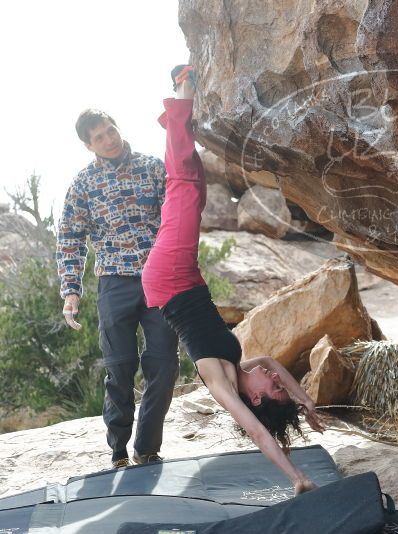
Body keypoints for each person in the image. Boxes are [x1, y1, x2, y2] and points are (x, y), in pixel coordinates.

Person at [142, 66, 324, 495]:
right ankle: (174, 119)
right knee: (194, 187)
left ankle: (180, 92)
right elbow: (276, 366)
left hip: (168, 279)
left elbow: (260, 435)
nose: (276, 379)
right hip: (182, 278)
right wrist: (303, 400)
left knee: (184, 184)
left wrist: (297, 478)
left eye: (274, 390)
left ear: (255, 400)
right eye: (279, 386)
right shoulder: (243, 366)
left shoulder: (221, 382)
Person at [57, 109, 179, 469]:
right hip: (114, 283)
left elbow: (177, 217)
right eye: (99, 137)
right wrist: (71, 290)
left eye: (111, 130)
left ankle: (147, 446)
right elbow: (70, 238)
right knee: (120, 368)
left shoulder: (153, 167)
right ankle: (118, 451)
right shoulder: (83, 185)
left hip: (158, 278)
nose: (109, 139)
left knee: (164, 365)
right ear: (87, 145)